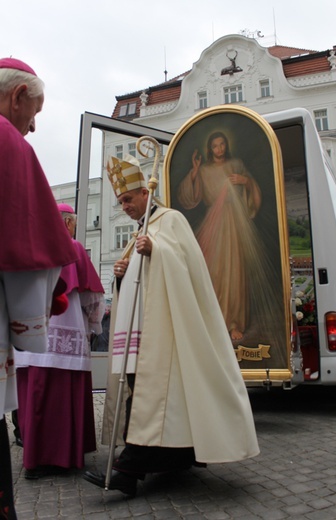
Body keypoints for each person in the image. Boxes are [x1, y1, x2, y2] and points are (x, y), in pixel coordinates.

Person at [83, 156, 259, 497]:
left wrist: (158, 251)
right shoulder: (140, 232)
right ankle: (173, 459)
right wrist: (121, 276)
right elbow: (139, 284)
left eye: (128, 199)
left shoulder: (171, 220)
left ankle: (126, 471)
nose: (125, 206)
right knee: (155, 396)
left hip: (169, 332)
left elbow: (188, 268)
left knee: (155, 398)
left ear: (145, 193)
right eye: (120, 202)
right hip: (143, 332)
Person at [0, 58, 77, 519]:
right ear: (17, 97)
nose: (34, 127)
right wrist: (32, 325)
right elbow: (30, 254)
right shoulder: (9, 143)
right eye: (36, 113)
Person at [15, 204, 105, 479]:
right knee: (62, 396)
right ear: (67, 223)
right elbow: (93, 298)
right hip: (66, 326)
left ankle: (35, 457)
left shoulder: (29, 246)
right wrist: (91, 323)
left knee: (34, 393)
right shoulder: (73, 247)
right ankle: (63, 456)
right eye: (74, 223)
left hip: (30, 333)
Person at [177, 131, 262, 341]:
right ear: (210, 149)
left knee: (235, 271)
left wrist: (245, 181)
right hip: (213, 224)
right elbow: (190, 198)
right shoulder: (204, 170)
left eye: (222, 144)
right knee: (213, 270)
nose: (219, 149)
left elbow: (252, 187)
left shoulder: (236, 164)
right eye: (215, 146)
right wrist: (195, 173)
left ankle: (234, 323)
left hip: (234, 222)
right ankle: (214, 322)